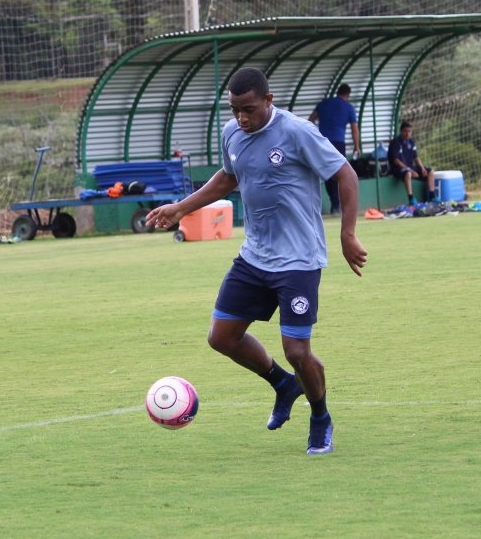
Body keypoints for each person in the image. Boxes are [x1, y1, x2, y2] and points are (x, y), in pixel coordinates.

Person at [147, 67, 368, 454]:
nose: (241, 118)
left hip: (298, 259)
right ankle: (283, 385)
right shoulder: (232, 133)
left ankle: (320, 417)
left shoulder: (297, 132)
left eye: (248, 109)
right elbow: (229, 177)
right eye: (234, 110)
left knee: (297, 351)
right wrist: (182, 208)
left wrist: (347, 233)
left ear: (268, 101)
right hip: (255, 256)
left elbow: (345, 175)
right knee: (221, 337)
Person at [309, 83, 361, 214]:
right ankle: (338, 205)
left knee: (327, 174)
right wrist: (356, 146)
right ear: (348, 95)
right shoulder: (348, 107)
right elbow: (355, 130)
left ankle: (335, 203)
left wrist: (311, 137)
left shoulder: (324, 103)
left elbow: (311, 120)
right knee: (341, 173)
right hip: (338, 142)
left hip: (322, 142)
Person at [388, 121, 436, 205]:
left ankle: (432, 196)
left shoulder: (411, 142)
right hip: (398, 169)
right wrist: (409, 169)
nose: (407, 133)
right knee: (409, 173)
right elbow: (395, 160)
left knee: (430, 172)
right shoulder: (395, 142)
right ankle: (411, 198)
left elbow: (416, 157)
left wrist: (422, 168)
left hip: (410, 167)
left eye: (409, 131)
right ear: (401, 131)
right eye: (405, 131)